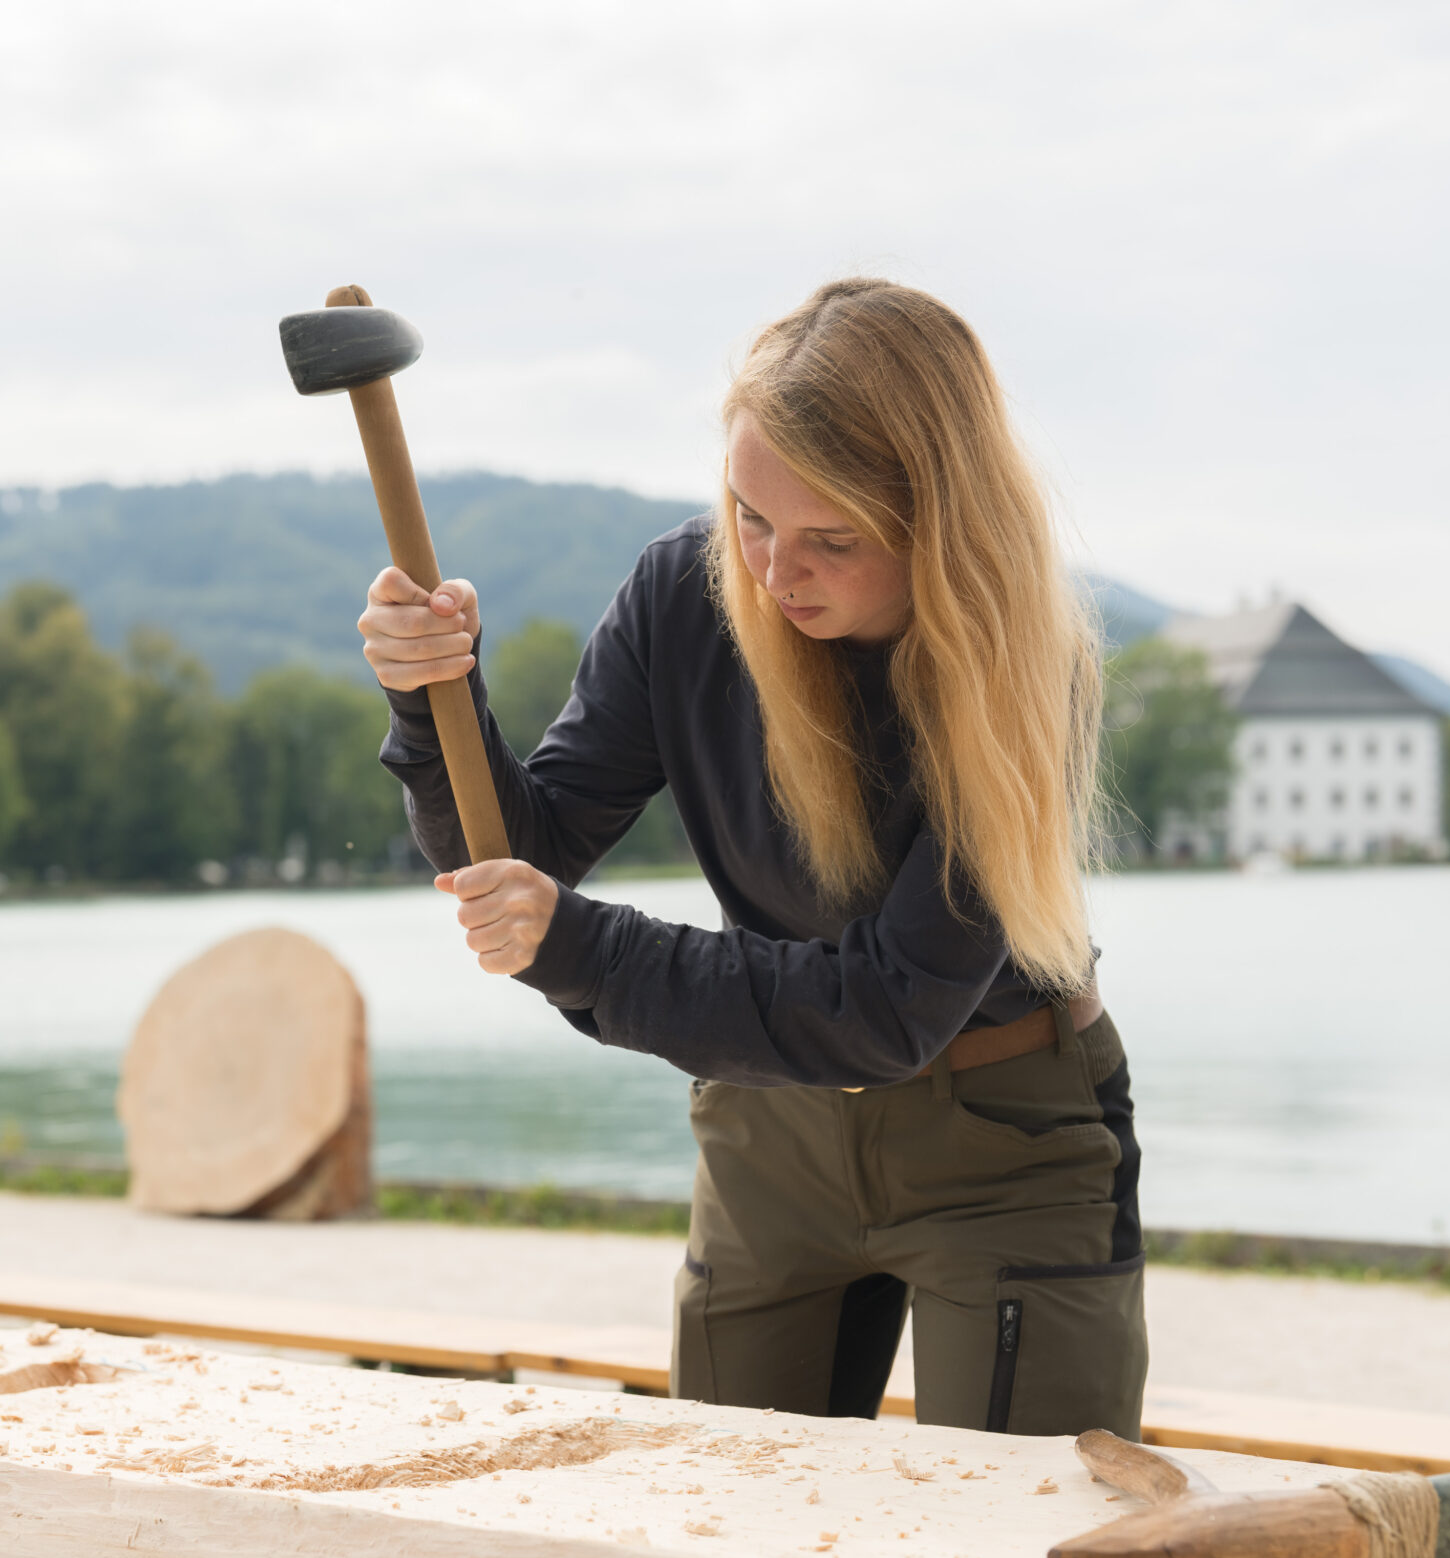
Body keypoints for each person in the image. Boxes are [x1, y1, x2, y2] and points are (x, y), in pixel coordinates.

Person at [358, 278, 1146, 1437]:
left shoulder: (1024, 660)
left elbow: (889, 1008)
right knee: (733, 1507)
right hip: (766, 1121)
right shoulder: (683, 592)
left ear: (937, 522)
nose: (774, 575)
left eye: (832, 539)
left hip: (1003, 1134)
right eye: (750, 516)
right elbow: (525, 851)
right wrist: (434, 695)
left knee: (1022, 1520)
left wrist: (588, 947)